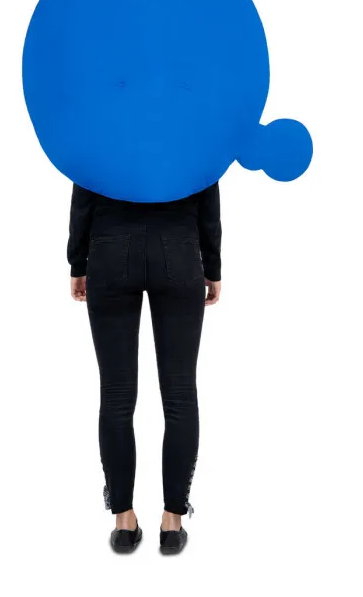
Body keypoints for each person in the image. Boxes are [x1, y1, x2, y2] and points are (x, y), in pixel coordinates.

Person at [67, 181, 222, 554]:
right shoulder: (193, 136)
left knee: (116, 395)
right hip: (179, 248)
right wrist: (213, 265)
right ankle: (172, 522)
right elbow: (208, 182)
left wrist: (78, 261)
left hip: (109, 247)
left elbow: (82, 178)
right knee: (180, 394)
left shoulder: (100, 136)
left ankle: (124, 522)